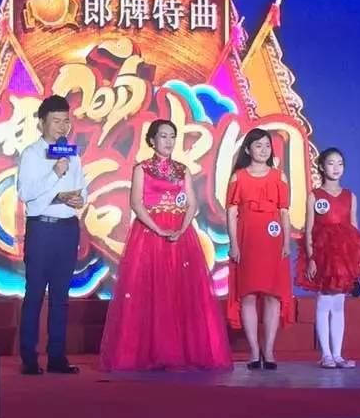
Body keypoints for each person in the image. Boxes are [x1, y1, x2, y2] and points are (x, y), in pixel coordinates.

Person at [98, 120, 232, 371]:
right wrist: (158, 228)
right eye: (163, 136)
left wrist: (182, 227)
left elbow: (192, 203)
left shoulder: (182, 170)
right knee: (151, 291)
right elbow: (136, 203)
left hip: (180, 234)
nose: (168, 141)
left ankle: (181, 352)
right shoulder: (142, 168)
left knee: (180, 291)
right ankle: (148, 353)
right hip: (150, 233)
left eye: (172, 136)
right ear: (152, 140)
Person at [16, 95, 87, 375]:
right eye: (56, 121)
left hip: (68, 229)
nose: (62, 126)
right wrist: (55, 174)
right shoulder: (32, 154)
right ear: (41, 123)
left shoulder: (72, 154)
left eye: (66, 121)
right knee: (35, 293)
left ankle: (57, 357)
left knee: (61, 296)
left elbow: (82, 187)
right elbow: (26, 193)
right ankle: (29, 357)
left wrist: (80, 199)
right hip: (42, 229)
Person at [226, 128, 295, 369]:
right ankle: (254, 351)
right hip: (247, 239)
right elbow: (231, 212)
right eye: (258, 146)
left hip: (273, 240)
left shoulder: (279, 176)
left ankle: (269, 350)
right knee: (248, 294)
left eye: (267, 145)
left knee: (272, 295)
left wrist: (286, 241)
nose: (264, 150)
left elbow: (284, 212)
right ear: (248, 149)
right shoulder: (238, 177)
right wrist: (234, 244)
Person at [296, 147, 360, 368]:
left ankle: (337, 354)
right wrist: (311, 258)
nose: (336, 168)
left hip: (343, 257)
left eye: (340, 164)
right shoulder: (314, 195)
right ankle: (325, 355)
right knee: (324, 301)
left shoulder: (350, 196)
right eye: (331, 163)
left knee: (339, 303)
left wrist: (357, 258)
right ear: (321, 166)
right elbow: (309, 229)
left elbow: (354, 228)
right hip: (323, 255)